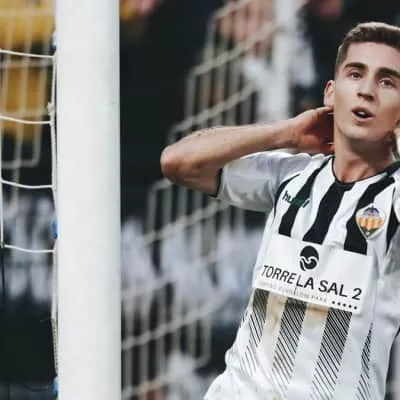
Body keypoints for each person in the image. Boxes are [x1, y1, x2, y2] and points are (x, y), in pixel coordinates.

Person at [160, 21, 400, 399]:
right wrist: (285, 133)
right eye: (356, 74)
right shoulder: (292, 174)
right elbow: (179, 163)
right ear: (331, 92)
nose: (367, 90)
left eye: (387, 82)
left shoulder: (394, 198)